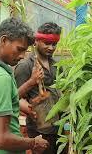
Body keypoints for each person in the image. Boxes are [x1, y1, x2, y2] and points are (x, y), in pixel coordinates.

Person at [0, 17, 49, 154]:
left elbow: (1, 98)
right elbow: (1, 140)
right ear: (4, 40)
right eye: (20, 49)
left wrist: (31, 82)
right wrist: (33, 142)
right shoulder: (1, 78)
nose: (22, 56)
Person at [14, 22, 62, 154]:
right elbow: (16, 97)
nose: (51, 47)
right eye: (47, 43)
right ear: (36, 41)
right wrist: (31, 110)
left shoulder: (57, 65)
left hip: (59, 127)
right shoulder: (25, 66)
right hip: (40, 130)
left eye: (54, 44)